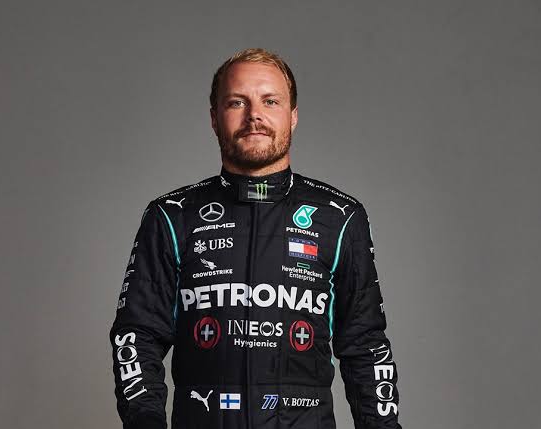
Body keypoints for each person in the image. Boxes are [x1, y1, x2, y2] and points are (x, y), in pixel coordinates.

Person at [110, 48, 403, 429]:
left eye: (270, 101)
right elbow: (137, 336)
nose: (254, 116)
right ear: (214, 118)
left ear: (293, 115)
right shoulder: (171, 216)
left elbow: (365, 345)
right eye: (237, 102)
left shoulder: (340, 217)